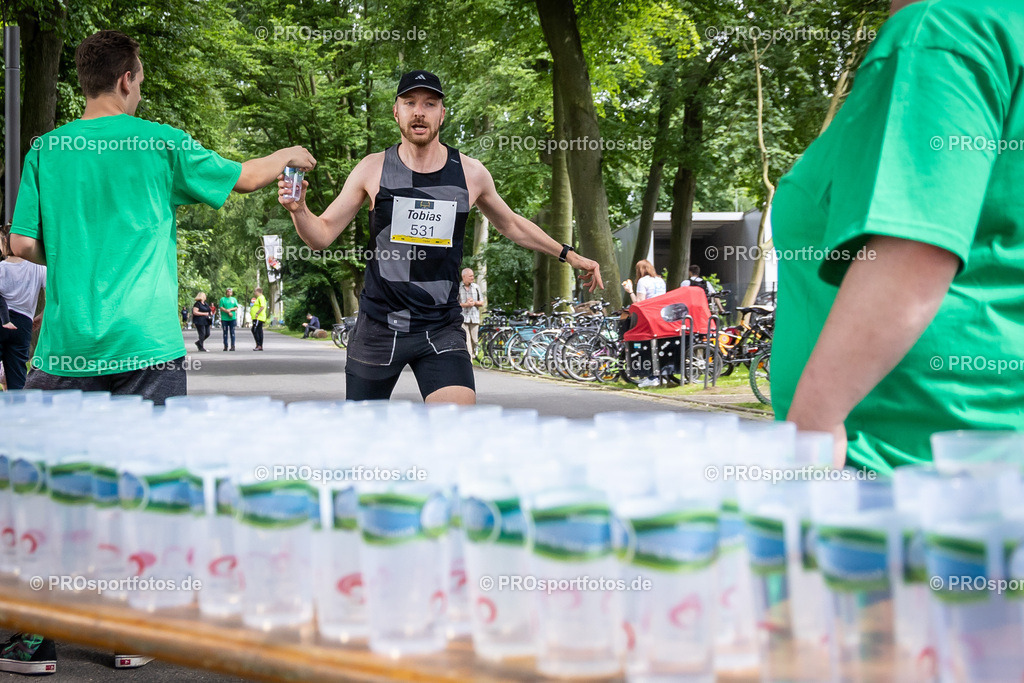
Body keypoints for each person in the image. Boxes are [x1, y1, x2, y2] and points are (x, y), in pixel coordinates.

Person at [6, 30, 314, 674]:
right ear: (126, 80)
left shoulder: (45, 150)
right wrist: (289, 152)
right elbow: (249, 181)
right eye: (139, 80)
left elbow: (23, 247)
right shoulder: (159, 144)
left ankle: (33, 642)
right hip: (146, 345)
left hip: (64, 350)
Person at [772, 0, 1024, 471]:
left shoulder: (941, 29)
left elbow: (913, 247)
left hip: (900, 463)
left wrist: (813, 428)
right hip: (988, 452)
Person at [280, 70, 603, 404]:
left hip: (440, 326)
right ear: (397, 112)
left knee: (454, 432)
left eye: (430, 103)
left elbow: (512, 224)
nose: (419, 111)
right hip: (378, 326)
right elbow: (321, 236)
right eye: (410, 102)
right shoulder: (372, 168)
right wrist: (299, 209)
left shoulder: (470, 172)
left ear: (442, 114)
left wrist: (569, 254)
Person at [0, 224, 46, 391]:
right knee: (18, 376)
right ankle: (18, 411)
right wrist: (43, 314)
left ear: (5, 242)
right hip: (24, 324)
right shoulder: (37, 266)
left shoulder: (2, 268)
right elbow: (55, 290)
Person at [458, 267, 483, 357]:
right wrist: (465, 304)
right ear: (464, 277)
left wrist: (474, 303)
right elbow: (455, 304)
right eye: (470, 276)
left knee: (475, 340)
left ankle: (473, 353)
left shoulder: (476, 287)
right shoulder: (458, 287)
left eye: (473, 276)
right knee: (467, 339)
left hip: (474, 318)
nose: (472, 278)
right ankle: (469, 359)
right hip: (463, 318)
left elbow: (482, 302)